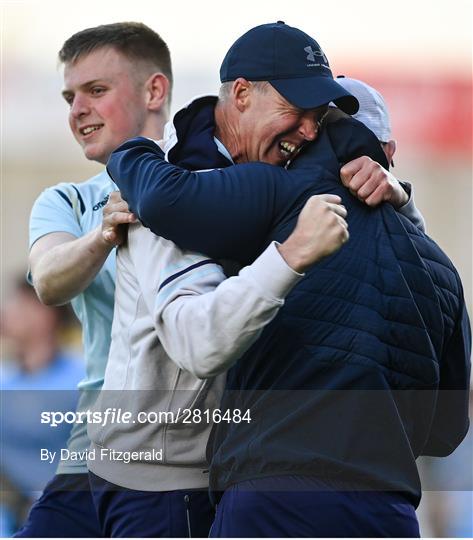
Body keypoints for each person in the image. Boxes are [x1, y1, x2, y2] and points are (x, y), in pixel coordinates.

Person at [107, 22, 471, 537]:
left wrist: (132, 151)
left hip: (272, 498)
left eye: (317, 121)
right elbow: (447, 430)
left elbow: (167, 199)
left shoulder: (282, 195)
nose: (306, 132)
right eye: (300, 114)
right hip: (386, 512)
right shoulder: (441, 268)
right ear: (388, 152)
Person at [18, 22, 173, 537]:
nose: (77, 110)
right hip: (89, 449)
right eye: (69, 96)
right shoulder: (67, 200)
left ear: (154, 90)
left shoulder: (209, 187)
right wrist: (105, 232)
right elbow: (49, 280)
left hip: (179, 457)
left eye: (96, 91)